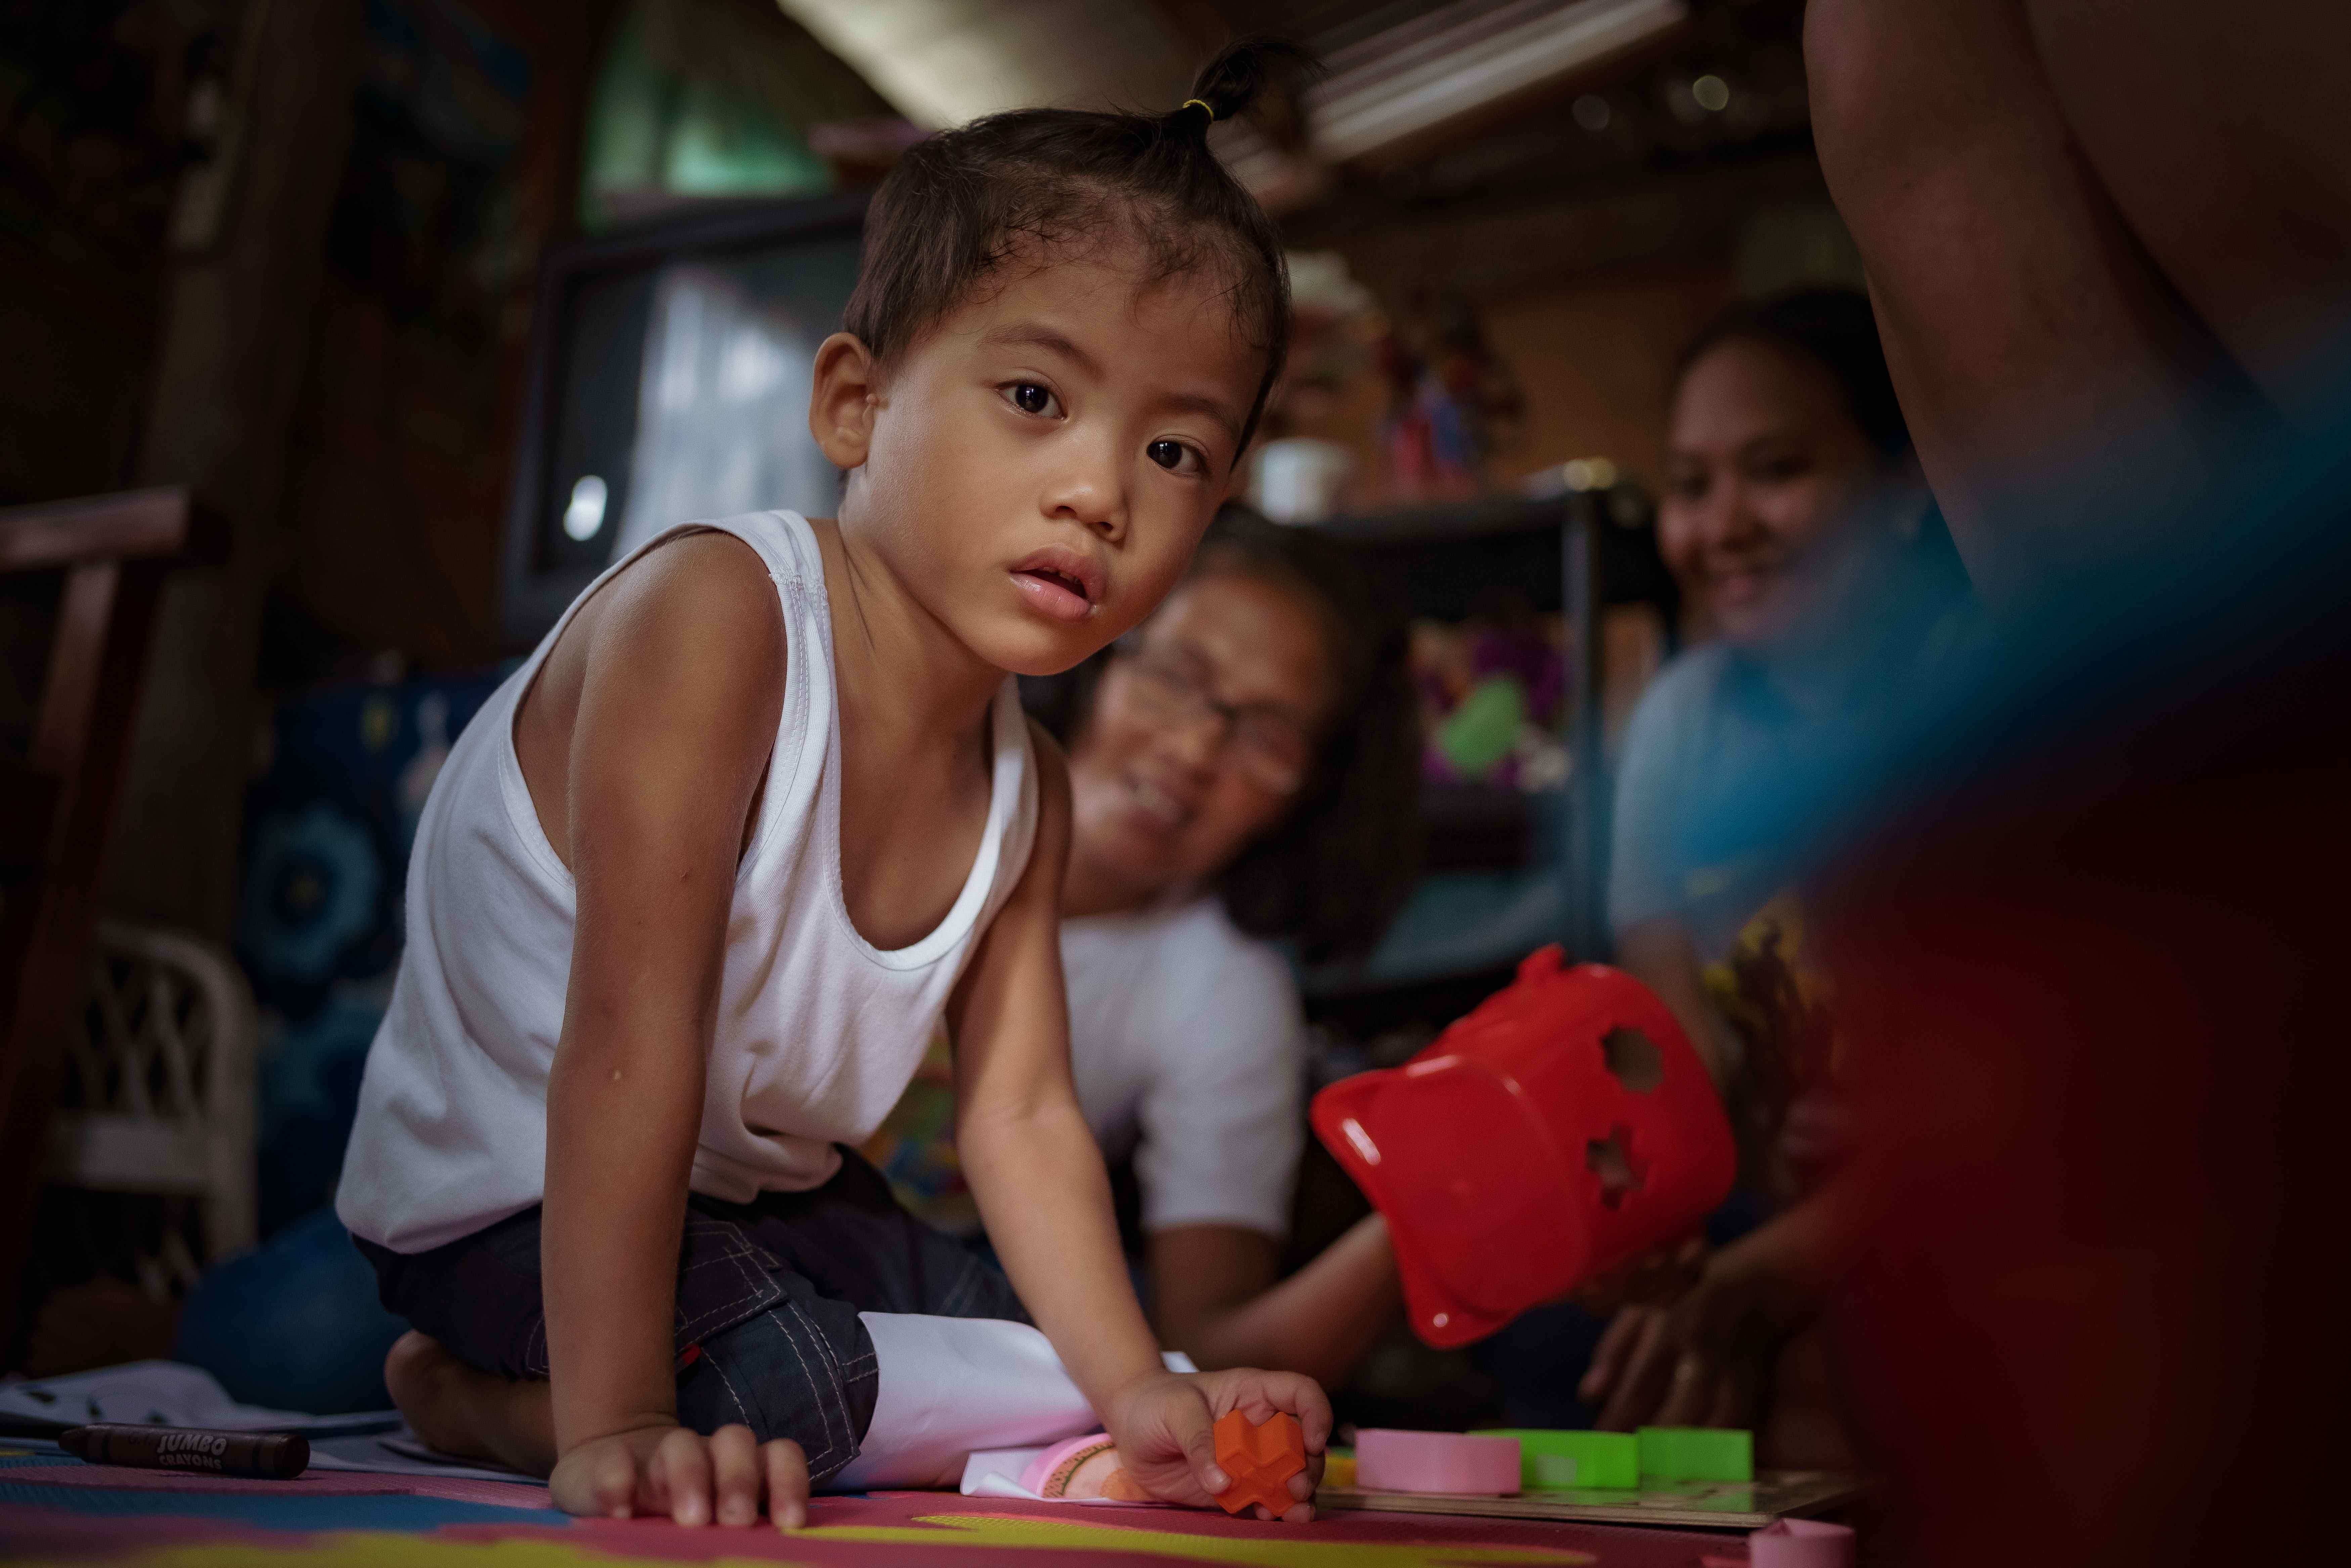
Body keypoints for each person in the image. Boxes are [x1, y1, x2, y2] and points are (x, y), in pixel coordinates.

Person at [329, 43, 1331, 1532]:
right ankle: (478, 1399)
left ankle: (804, 1382)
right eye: (1036, 394)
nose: (1100, 491)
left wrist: (1142, 1391)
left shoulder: (1029, 790)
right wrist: (617, 1428)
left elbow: (1024, 1116)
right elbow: (624, 1040)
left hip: (754, 1201)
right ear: (857, 404)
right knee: (788, 1386)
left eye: (1174, 447)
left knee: (1021, 1337)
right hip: (520, 1190)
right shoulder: (718, 620)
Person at [1584, 288, 1975, 1457]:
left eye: (1778, 469)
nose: (1725, 524)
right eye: (1694, 487)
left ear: (1903, 486)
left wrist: (1790, 1266)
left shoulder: (1996, 696)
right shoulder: (1679, 722)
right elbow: (1675, 1037)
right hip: (1777, 1204)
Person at [1051, 505, 1421, 1388]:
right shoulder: (908, 784)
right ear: (1100, 648)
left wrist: (1420, 1222)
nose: (1193, 748)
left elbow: (1204, 1351)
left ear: (1315, 796)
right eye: (1177, 674)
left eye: (1266, 734)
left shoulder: (1220, 988)